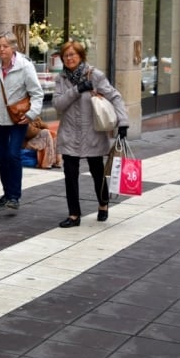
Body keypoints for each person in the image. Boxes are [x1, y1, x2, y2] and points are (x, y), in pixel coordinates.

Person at [52, 39, 129, 227]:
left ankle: (103, 204)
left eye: (72, 54)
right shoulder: (61, 79)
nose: (69, 58)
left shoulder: (95, 75)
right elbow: (58, 105)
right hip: (69, 133)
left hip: (92, 133)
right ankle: (74, 215)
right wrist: (77, 90)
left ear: (81, 56)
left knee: (97, 173)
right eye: (66, 55)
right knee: (70, 174)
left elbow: (115, 97)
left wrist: (123, 122)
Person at [0, 31, 44, 210]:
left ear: (13, 47)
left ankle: (15, 196)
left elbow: (37, 93)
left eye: (5, 46)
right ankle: (6, 194)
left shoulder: (24, 66)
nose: (1, 50)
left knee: (13, 154)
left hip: (19, 119)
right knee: (2, 157)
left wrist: (31, 114)